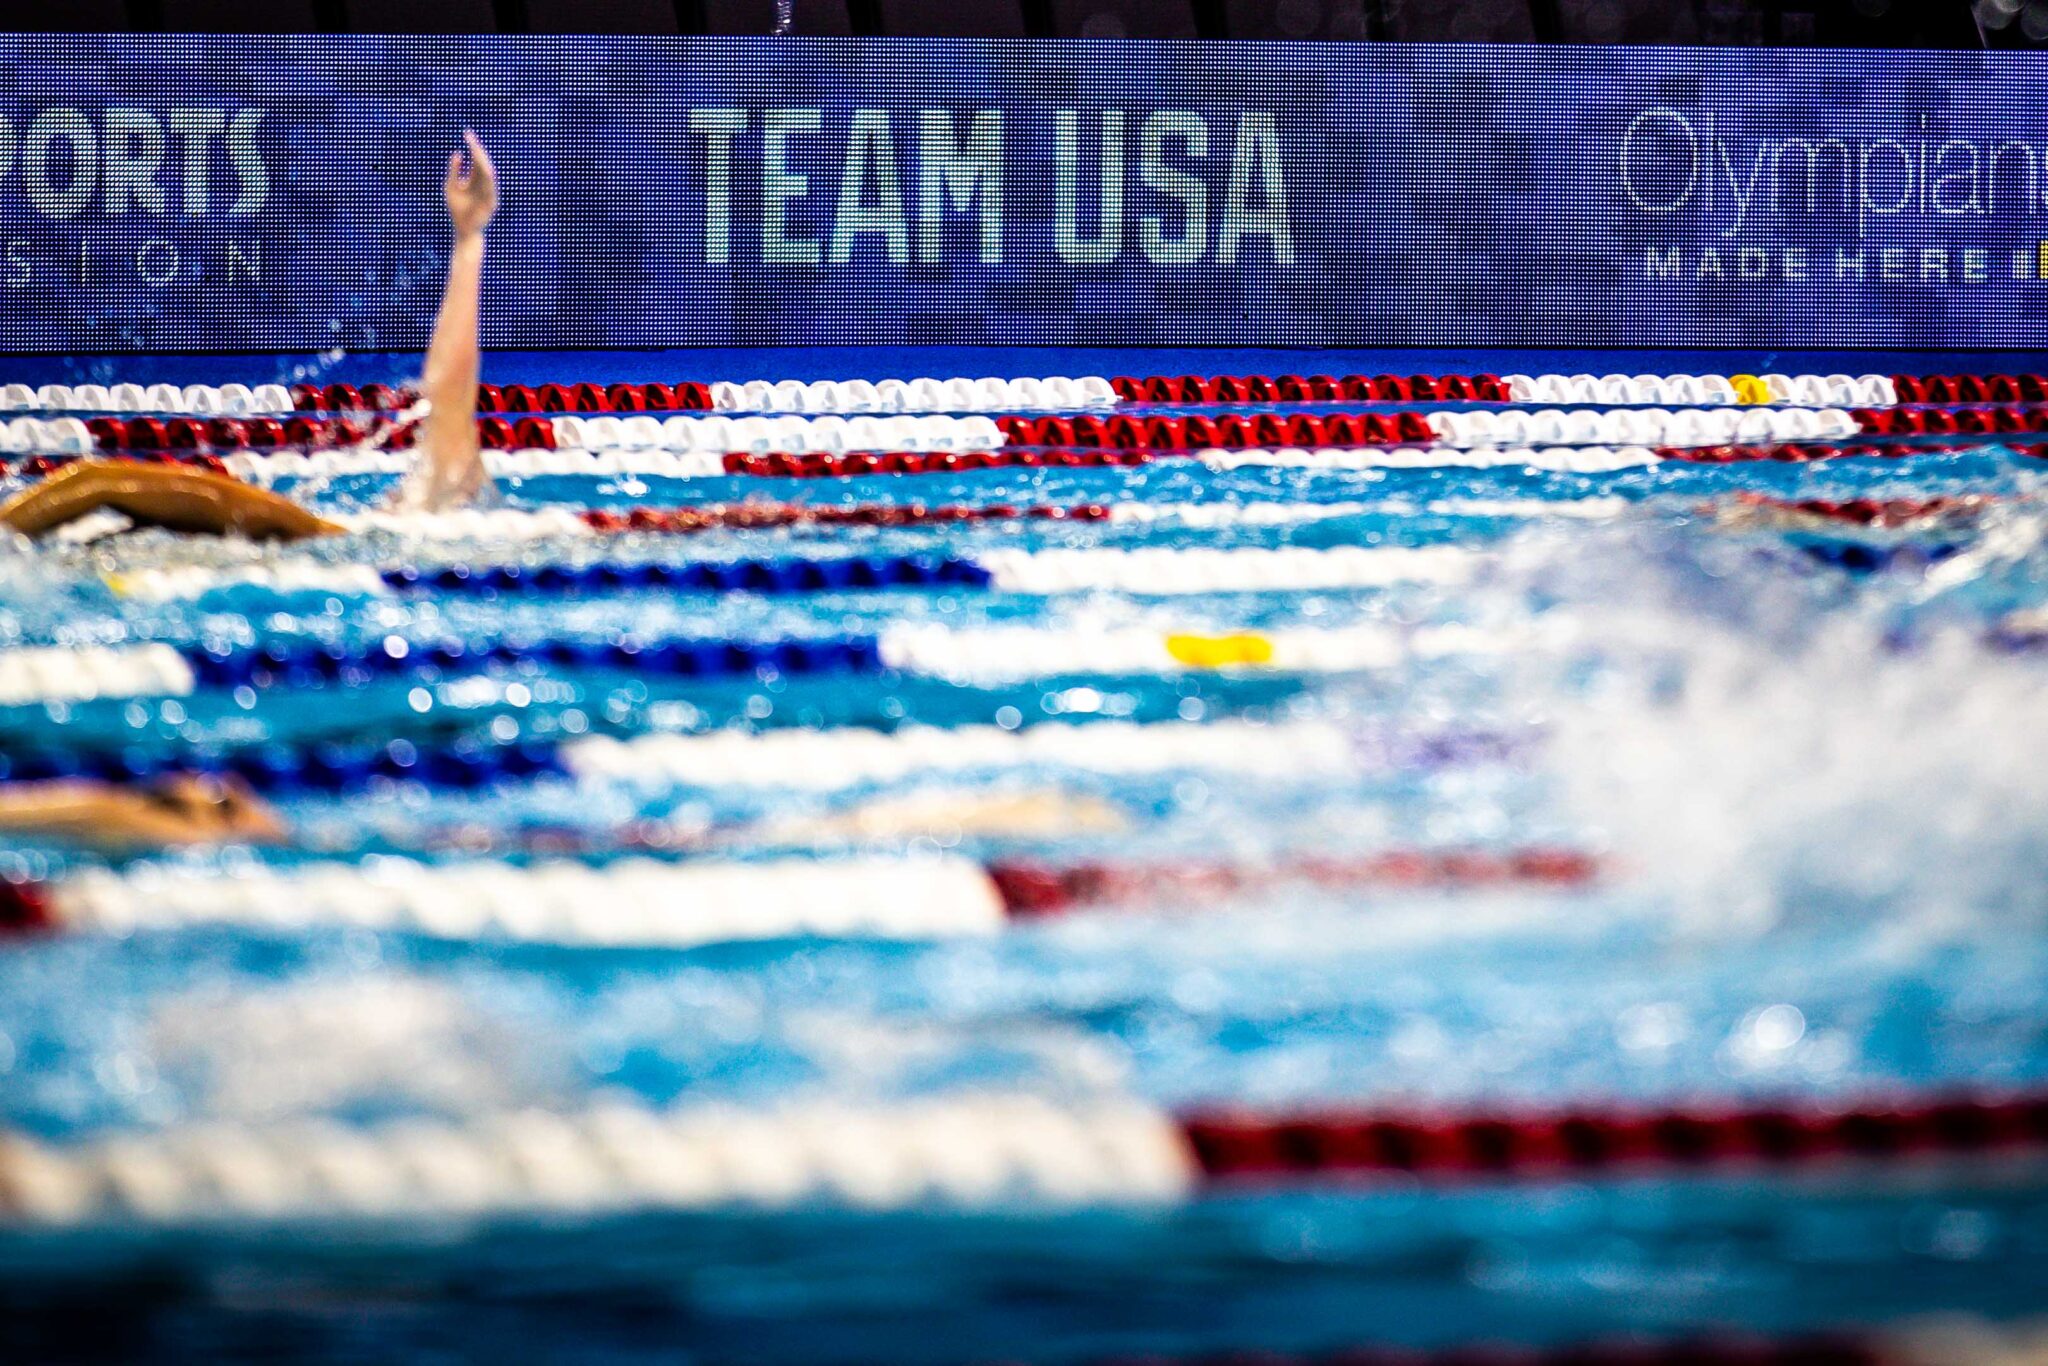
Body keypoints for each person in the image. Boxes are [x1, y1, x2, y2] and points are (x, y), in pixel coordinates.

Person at [0, 131, 501, 542]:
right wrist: (468, 238)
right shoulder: (440, 509)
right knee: (100, 502)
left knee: (95, 482)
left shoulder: (447, 496)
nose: (462, 448)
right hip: (309, 539)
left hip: (311, 534)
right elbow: (448, 393)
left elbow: (450, 392)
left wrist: (470, 239)